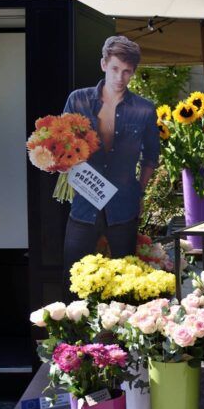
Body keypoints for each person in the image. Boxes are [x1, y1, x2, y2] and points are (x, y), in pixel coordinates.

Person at [62, 35, 159, 273]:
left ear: (133, 72)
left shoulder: (144, 109)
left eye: (127, 71)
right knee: (74, 276)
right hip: (84, 202)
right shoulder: (78, 100)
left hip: (124, 205)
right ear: (104, 64)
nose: (119, 77)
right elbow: (61, 145)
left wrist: (140, 191)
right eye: (115, 69)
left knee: (124, 280)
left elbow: (151, 156)